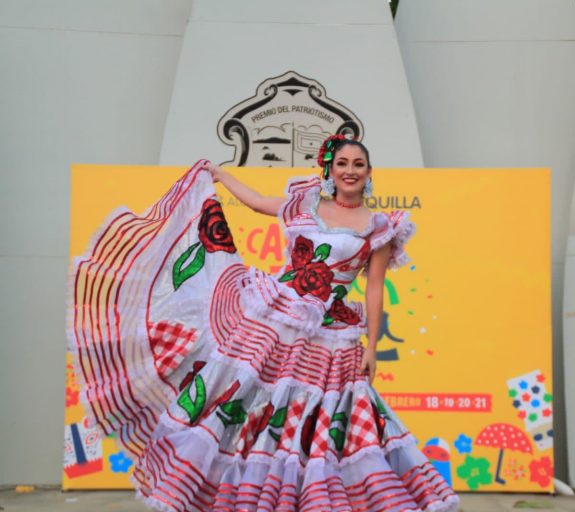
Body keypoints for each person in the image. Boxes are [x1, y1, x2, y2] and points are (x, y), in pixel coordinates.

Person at [68, 135, 459, 512]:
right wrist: (220, 176)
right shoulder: (304, 206)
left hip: (332, 336)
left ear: (369, 171)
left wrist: (371, 345)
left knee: (316, 419)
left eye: (358, 164)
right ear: (331, 170)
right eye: (342, 163)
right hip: (273, 321)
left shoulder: (379, 227)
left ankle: (304, 497)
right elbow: (256, 203)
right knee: (244, 400)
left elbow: (375, 288)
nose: (350, 171)